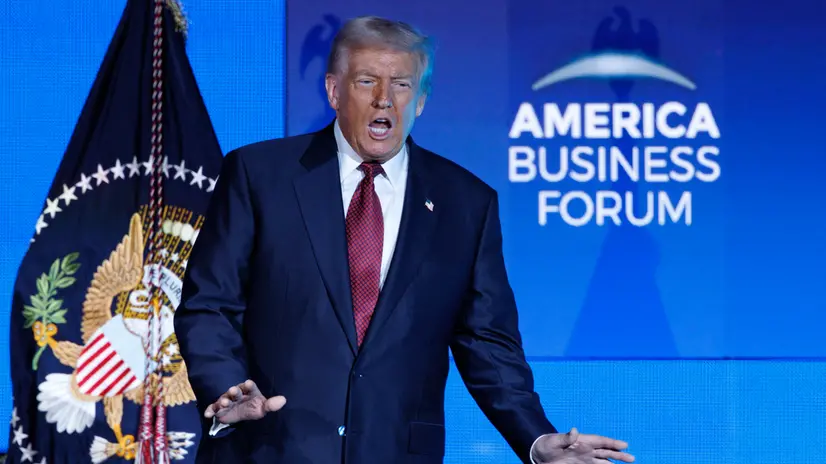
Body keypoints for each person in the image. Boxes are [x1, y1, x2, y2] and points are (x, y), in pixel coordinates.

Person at [174, 15, 636, 464]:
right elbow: (208, 304)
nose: (383, 100)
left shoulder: (465, 202)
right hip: (268, 449)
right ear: (334, 91)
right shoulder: (259, 175)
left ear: (420, 100)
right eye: (366, 81)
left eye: (401, 84)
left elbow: (488, 345)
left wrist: (535, 439)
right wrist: (225, 386)